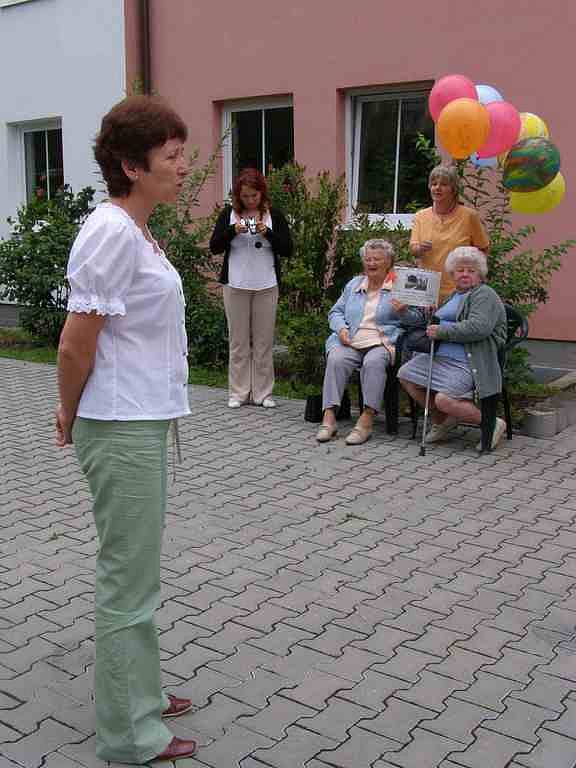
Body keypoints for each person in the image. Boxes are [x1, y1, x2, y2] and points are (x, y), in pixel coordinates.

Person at [55, 96, 197, 764]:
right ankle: (128, 733)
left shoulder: (134, 230)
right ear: (130, 165)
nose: (182, 165)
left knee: (136, 575)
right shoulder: (112, 231)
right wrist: (67, 409)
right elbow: (74, 343)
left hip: (137, 418)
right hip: (120, 424)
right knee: (127, 582)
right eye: (171, 155)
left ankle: (140, 690)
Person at [398, 246, 507, 449]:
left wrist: (441, 331)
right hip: (441, 358)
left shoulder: (484, 294)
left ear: (480, 274)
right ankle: (444, 422)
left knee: (444, 399)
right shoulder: (454, 295)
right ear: (453, 273)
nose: (465, 274)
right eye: (460, 270)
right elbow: (442, 324)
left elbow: (479, 328)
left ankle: (491, 423)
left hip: (468, 362)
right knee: (406, 375)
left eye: (471, 270)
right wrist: (434, 315)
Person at [316, 239, 416, 446]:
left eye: (377, 259)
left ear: (388, 262)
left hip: (382, 341)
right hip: (352, 339)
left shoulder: (401, 286)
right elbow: (335, 312)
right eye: (368, 259)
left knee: (373, 363)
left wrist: (404, 311)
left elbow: (418, 321)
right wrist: (341, 329)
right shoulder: (354, 284)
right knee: (336, 358)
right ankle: (329, 417)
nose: (371, 263)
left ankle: (367, 419)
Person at [210, 168, 292, 409]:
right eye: (245, 196)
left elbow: (288, 248)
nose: (250, 200)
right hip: (236, 283)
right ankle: (238, 392)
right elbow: (215, 246)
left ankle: (263, 393)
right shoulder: (229, 214)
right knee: (238, 341)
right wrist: (232, 231)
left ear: (262, 194)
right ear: (238, 196)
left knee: (264, 342)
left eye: (254, 196)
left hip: (266, 283)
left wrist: (268, 234)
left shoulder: (273, 215)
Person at [411, 164, 490, 302]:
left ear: (453, 189)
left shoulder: (469, 216)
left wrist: (473, 279)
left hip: (460, 292)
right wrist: (420, 248)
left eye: (444, 184)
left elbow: (483, 250)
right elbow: (413, 249)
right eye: (434, 184)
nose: (437, 188)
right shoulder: (420, 216)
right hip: (426, 290)